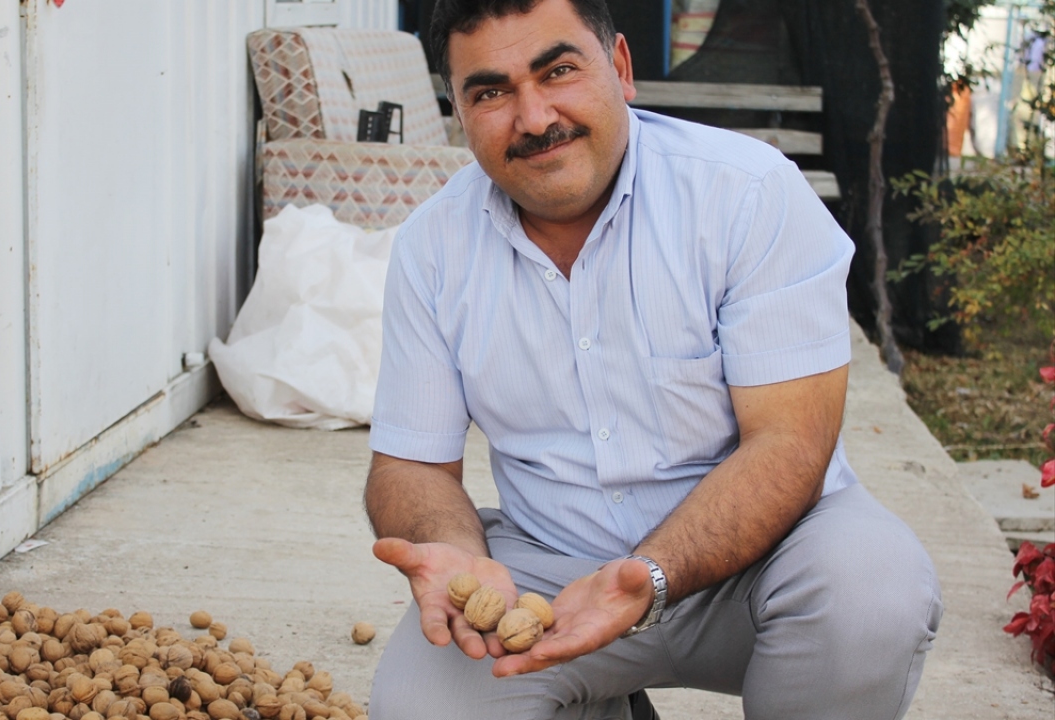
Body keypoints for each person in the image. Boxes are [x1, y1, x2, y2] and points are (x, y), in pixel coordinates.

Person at [362, 0, 943, 717]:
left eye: (559, 71)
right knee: (422, 709)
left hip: (762, 563)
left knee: (873, 590)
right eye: (491, 92)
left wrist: (651, 574)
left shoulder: (746, 195)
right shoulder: (432, 246)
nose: (535, 117)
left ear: (622, 68)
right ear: (457, 109)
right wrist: (455, 554)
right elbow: (410, 463)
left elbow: (790, 442)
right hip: (547, 577)